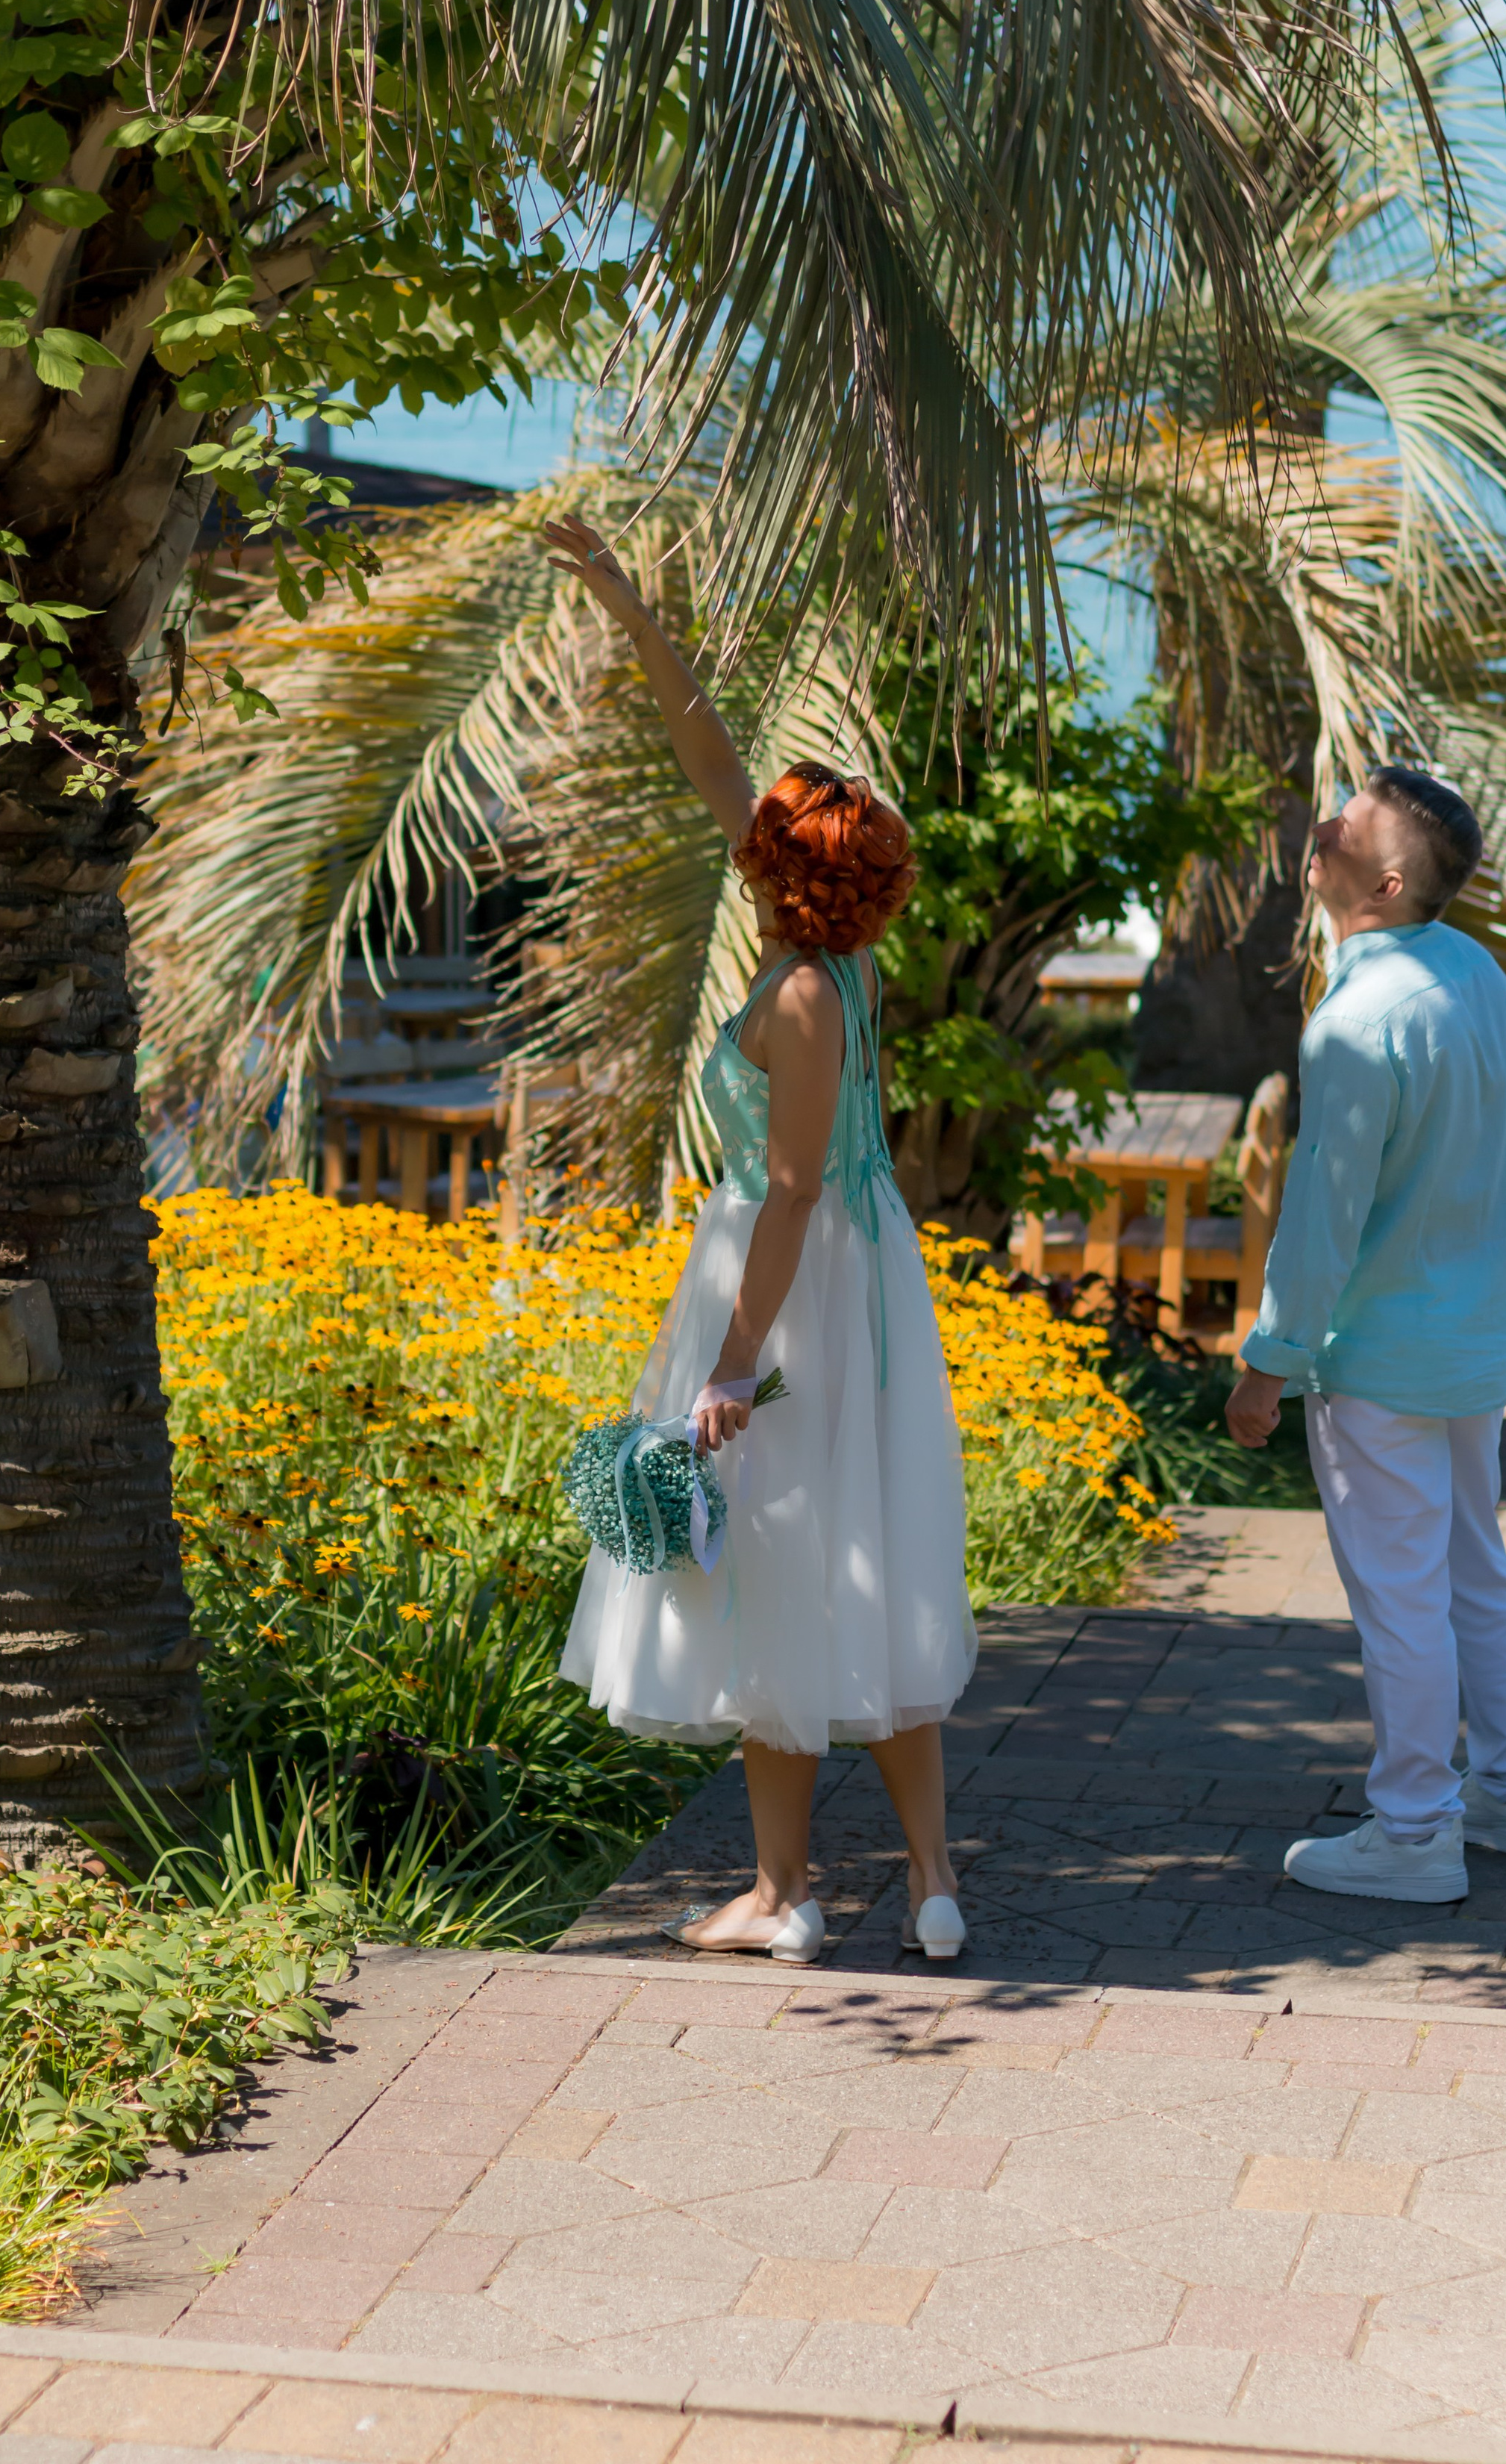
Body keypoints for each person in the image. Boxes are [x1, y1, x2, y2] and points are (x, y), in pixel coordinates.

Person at [543, 514, 977, 1965]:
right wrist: (627, 607)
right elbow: (714, 764)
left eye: (757, 840)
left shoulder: (794, 998)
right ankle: (928, 1883)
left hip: (790, 1285)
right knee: (881, 1551)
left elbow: (788, 1189)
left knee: (781, 1563)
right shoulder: (840, 965)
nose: (735, 837)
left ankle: (781, 1899)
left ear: (781, 872)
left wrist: (728, 1365)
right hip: (863, 1277)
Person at [1225, 766, 1506, 1903]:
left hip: (1382, 1354)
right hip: (1469, 1340)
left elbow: (1322, 1219)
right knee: (1475, 1571)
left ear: (1393, 876)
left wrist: (1268, 1365)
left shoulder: (1358, 1017)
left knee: (1405, 1594)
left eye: (1348, 822)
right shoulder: (1476, 976)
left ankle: (1416, 1832)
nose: (1322, 828)